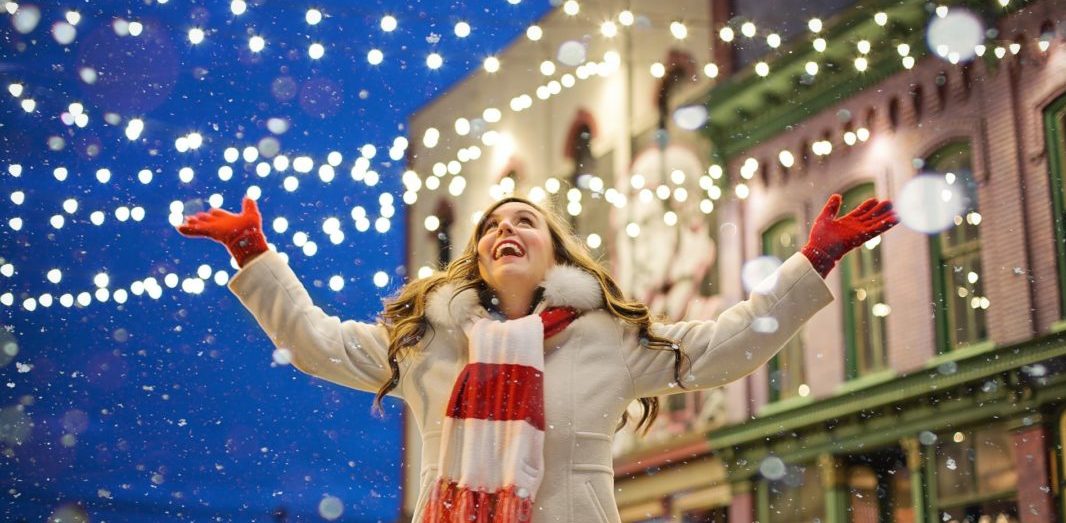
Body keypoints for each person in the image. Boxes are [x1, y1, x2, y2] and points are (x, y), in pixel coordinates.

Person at [177, 193, 899, 522]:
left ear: (555, 251)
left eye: (524, 221)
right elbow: (314, 341)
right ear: (480, 257)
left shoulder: (609, 339)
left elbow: (726, 345)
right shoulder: (429, 342)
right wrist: (253, 253)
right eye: (491, 226)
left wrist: (814, 260)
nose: (504, 229)